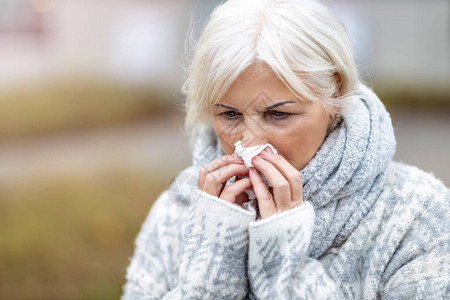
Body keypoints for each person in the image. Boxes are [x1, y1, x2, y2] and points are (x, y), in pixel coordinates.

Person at [122, 0, 450, 298]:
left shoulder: (415, 215)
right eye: (230, 114)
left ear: (334, 93)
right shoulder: (177, 213)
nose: (248, 141)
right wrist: (212, 263)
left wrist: (285, 258)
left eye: (278, 114)